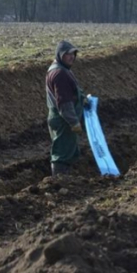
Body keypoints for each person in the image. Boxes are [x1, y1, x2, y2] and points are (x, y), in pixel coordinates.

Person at [45, 40, 89, 176]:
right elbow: (64, 102)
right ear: (60, 55)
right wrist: (73, 122)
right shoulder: (59, 74)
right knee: (62, 153)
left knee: (68, 150)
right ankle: (59, 181)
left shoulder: (62, 69)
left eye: (73, 54)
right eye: (68, 54)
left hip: (61, 119)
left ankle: (66, 178)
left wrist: (83, 99)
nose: (72, 57)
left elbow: (72, 91)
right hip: (63, 120)